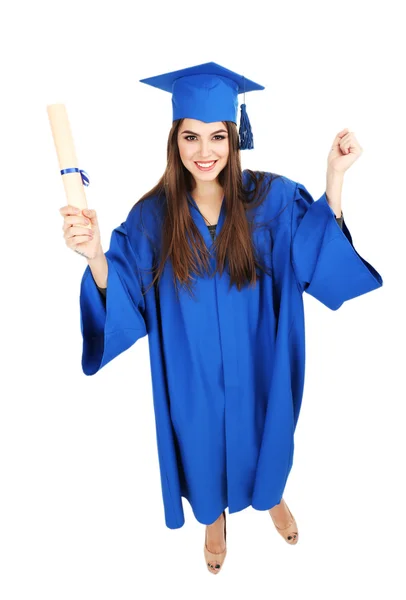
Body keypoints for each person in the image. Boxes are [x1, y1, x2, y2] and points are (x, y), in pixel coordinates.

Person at [59, 62, 383, 575]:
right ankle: (215, 519)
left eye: (217, 137)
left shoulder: (272, 200)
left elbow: (313, 259)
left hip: (259, 360)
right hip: (193, 373)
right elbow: (124, 294)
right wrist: (96, 254)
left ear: (234, 138)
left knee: (267, 433)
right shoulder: (151, 218)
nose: (204, 151)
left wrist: (335, 179)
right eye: (191, 137)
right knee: (201, 444)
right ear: (175, 140)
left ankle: (270, 496)